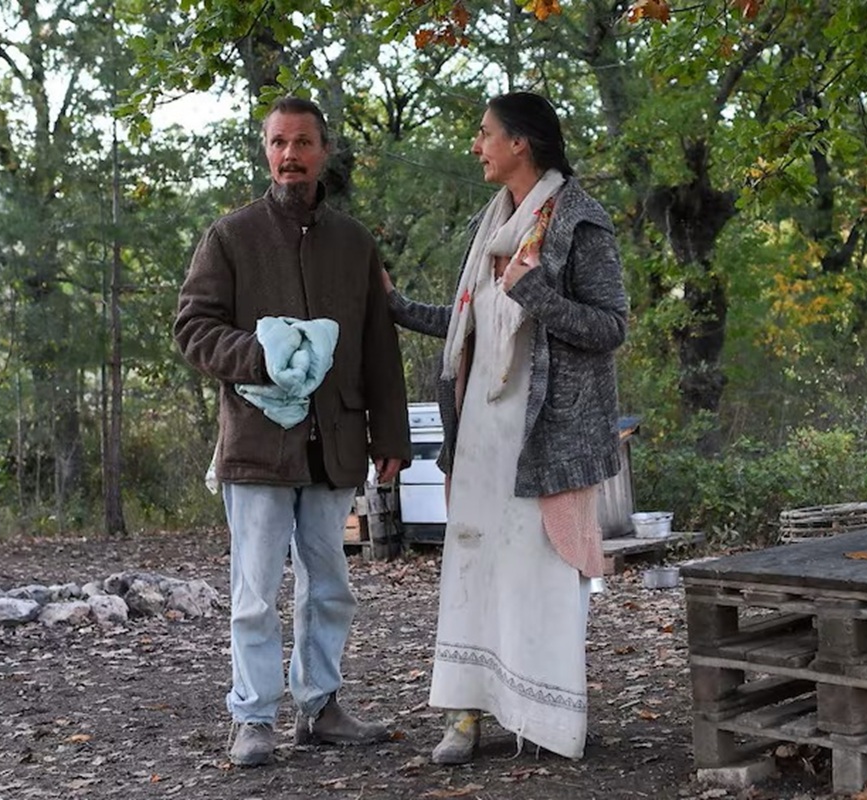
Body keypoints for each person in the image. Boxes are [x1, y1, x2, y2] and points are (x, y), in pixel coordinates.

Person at [381, 91, 628, 764]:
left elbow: (609, 328)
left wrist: (535, 294)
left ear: (521, 142)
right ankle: (465, 715)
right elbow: (473, 324)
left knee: (538, 576)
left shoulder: (580, 221)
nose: (476, 144)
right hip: (485, 431)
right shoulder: (494, 221)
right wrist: (395, 306)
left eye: (484, 133)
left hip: (548, 435)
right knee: (474, 567)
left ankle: (542, 721)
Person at [174, 96, 411, 767]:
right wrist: (264, 356)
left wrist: (390, 434)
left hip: (334, 441)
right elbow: (192, 329)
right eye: (278, 142)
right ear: (265, 151)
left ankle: (321, 708)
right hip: (255, 443)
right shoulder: (230, 236)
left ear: (324, 152)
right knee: (253, 592)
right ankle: (252, 719)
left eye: (302, 142)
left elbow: (376, 348)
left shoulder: (354, 242)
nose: (290, 155)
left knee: (329, 583)